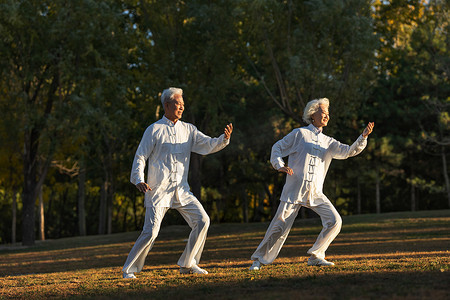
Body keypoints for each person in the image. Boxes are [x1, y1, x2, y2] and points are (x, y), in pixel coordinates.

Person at [249, 98, 374, 270]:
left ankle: (316, 255)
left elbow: (348, 151)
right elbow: (277, 148)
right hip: (294, 190)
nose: (327, 116)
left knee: (335, 220)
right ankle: (258, 260)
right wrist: (280, 165)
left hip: (315, 192)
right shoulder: (299, 134)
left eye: (328, 113)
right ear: (312, 114)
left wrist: (363, 137)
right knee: (278, 227)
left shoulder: (328, 141)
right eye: (324, 112)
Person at [123, 87, 233, 279]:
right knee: (150, 233)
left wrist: (223, 139)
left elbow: (206, 145)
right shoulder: (154, 129)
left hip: (182, 190)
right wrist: (139, 179)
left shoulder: (188, 129)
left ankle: (188, 264)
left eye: (183, 104)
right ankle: (129, 270)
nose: (182, 107)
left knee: (202, 221)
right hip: (158, 190)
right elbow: (141, 156)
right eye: (178, 103)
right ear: (167, 105)